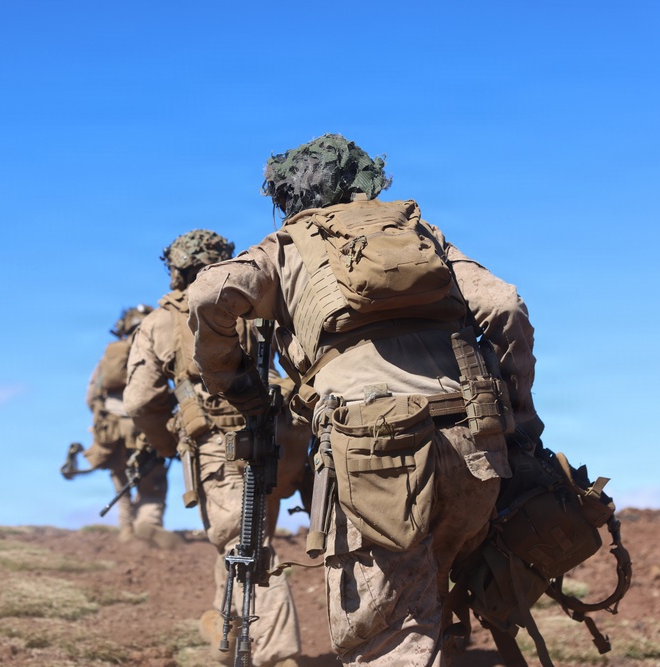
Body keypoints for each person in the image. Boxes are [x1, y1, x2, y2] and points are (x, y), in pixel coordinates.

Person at [187, 134, 544, 666]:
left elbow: (208, 295)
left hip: (377, 454)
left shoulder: (284, 247)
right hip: (473, 446)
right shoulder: (421, 234)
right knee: (431, 593)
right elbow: (504, 306)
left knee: (388, 635)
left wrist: (235, 384)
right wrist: (519, 417)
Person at [124, 230, 301, 667]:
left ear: (175, 270)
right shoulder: (254, 306)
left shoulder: (160, 322)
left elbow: (140, 401)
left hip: (215, 448)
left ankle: (277, 657)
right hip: (274, 438)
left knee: (246, 544)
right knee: (242, 538)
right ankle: (226, 638)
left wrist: (168, 443)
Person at [79, 305, 178, 548]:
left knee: (120, 480)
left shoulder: (109, 358)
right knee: (152, 483)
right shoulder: (156, 351)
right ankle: (148, 524)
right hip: (147, 428)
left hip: (112, 431)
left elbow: (91, 397)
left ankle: (126, 530)